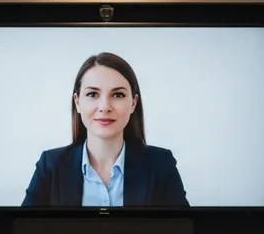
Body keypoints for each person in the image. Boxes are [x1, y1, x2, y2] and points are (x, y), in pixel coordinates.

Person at [21, 52, 189, 207]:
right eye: (93, 94)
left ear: (133, 103)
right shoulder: (50, 166)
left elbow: (183, 231)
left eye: (118, 95)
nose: (105, 107)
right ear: (77, 102)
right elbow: (23, 231)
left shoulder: (161, 164)